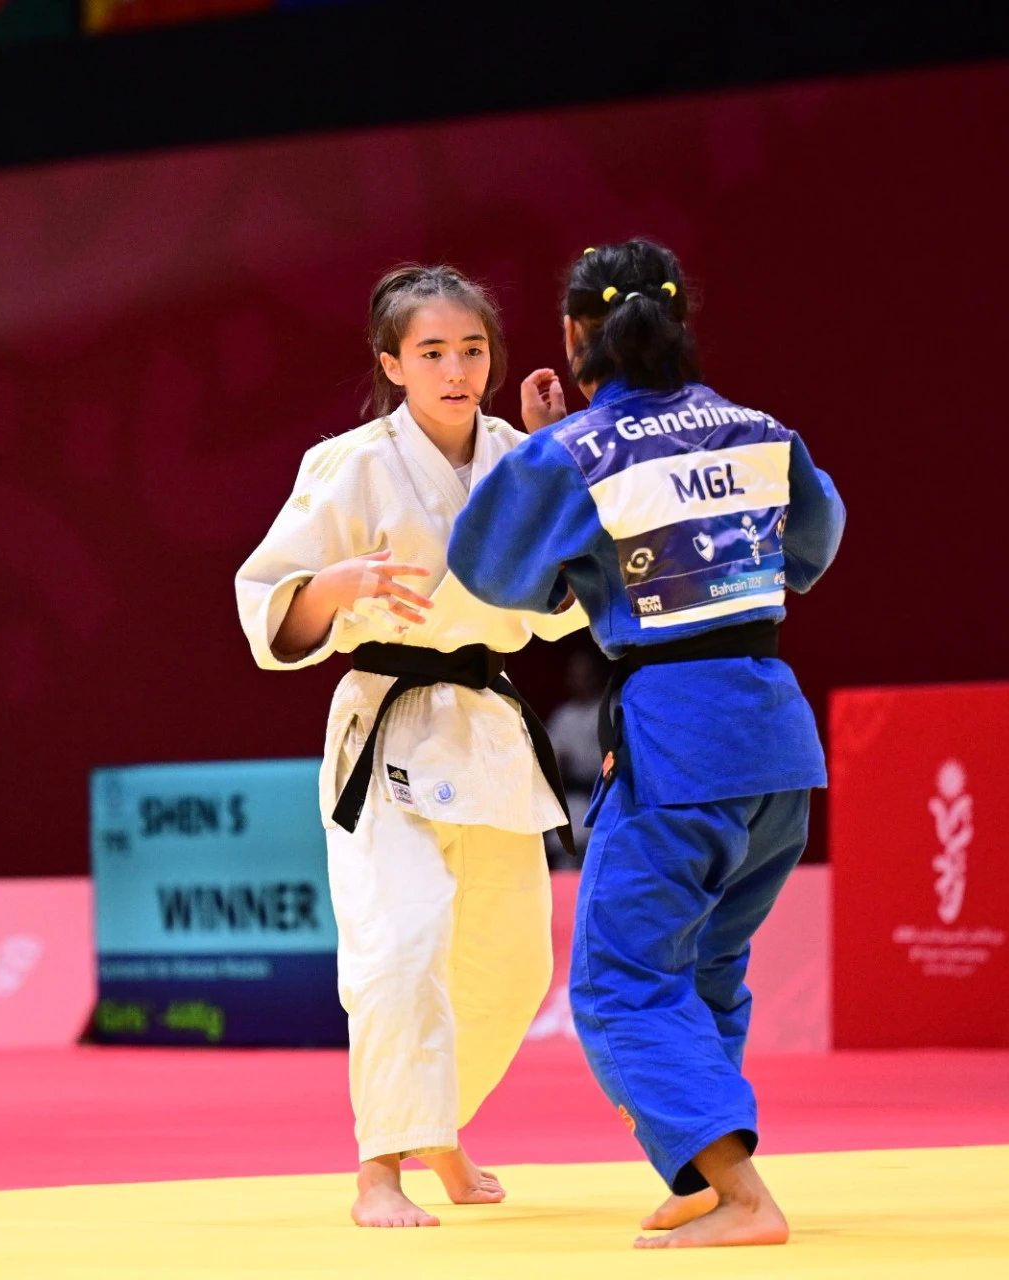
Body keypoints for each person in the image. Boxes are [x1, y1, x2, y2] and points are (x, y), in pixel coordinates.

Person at [448, 239, 845, 1249]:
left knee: (619, 982)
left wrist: (552, 447)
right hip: (776, 742)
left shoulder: (576, 451)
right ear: (679, 322)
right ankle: (711, 1180)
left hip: (679, 741)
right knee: (706, 964)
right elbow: (812, 546)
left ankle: (744, 1196)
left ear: (574, 334)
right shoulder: (760, 430)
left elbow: (489, 568)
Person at [235, 264, 587, 1229]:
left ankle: (437, 1126)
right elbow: (268, 605)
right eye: (431, 352)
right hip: (385, 721)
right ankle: (379, 1170)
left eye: (472, 349)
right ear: (391, 363)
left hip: (484, 721)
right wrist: (335, 584)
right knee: (399, 941)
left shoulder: (520, 456)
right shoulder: (347, 465)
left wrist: (558, 462)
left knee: (513, 965)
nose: (456, 369)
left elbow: (568, 606)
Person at [542, 646, 607, 866]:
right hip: (574, 800)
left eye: (586, 675)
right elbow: (551, 763)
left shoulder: (610, 709)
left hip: (605, 799)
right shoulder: (563, 717)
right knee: (567, 858)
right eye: (576, 675)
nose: (581, 681)